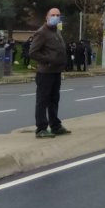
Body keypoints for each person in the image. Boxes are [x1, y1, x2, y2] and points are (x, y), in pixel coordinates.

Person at [29, 8, 71, 139]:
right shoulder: (42, 32)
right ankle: (41, 128)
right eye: (53, 15)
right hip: (45, 72)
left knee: (54, 100)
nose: (55, 17)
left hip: (56, 71)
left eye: (58, 15)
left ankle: (55, 126)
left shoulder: (57, 31)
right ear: (46, 17)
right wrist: (48, 60)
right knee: (42, 101)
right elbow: (33, 52)